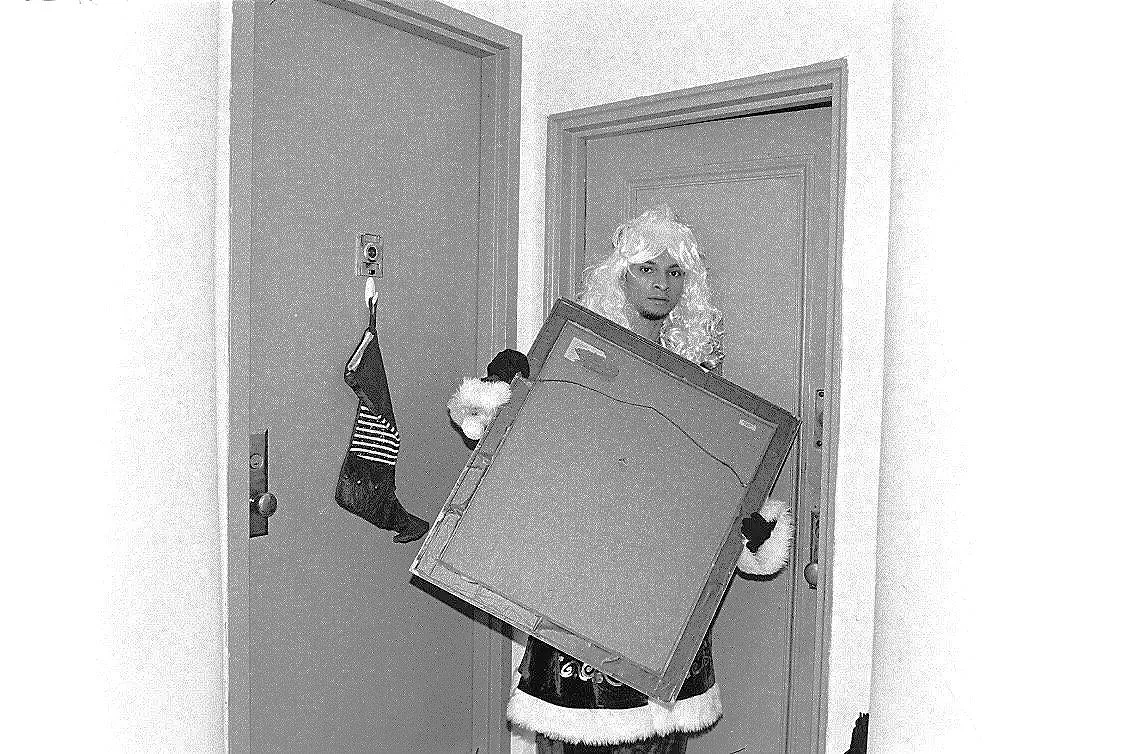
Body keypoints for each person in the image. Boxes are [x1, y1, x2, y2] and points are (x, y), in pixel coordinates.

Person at [449, 205, 793, 753]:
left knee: (658, 747)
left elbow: (710, 484)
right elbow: (524, 460)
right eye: (646, 268)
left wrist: (748, 526)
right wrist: (506, 398)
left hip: (666, 590)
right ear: (620, 275)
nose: (661, 283)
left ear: (689, 287)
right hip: (584, 579)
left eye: (674, 272)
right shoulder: (576, 359)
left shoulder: (700, 382)